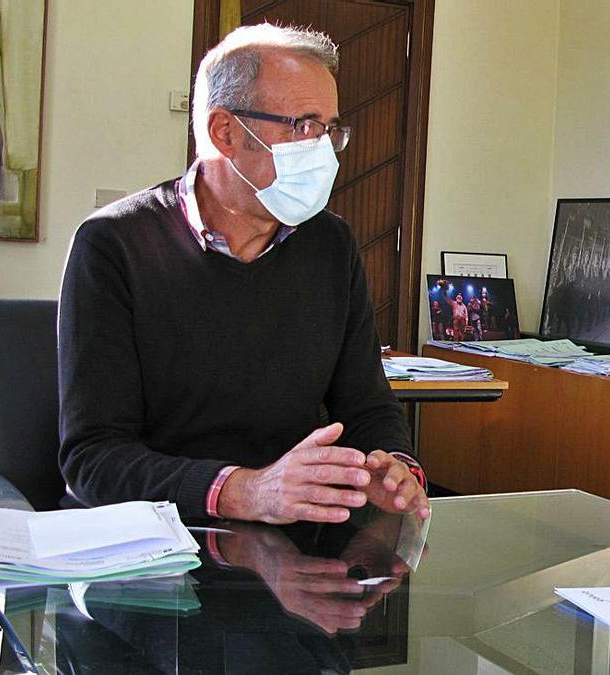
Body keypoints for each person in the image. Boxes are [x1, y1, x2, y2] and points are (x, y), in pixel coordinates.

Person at [57, 24, 429, 524]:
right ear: (225, 133)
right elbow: (93, 459)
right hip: (146, 549)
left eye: (330, 128)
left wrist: (394, 467)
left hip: (287, 546)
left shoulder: (330, 245)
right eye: (302, 125)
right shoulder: (113, 244)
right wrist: (244, 491)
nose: (322, 149)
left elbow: (368, 407)